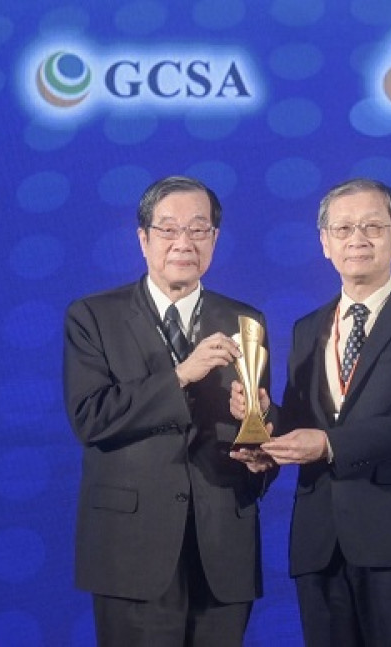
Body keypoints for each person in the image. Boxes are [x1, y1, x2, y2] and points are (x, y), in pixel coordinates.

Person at [62, 175, 274, 647]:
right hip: (131, 549)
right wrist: (180, 375)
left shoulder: (246, 319)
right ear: (143, 239)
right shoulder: (93, 316)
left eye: (198, 230)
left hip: (223, 546)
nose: (184, 242)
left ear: (214, 239)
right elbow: (91, 416)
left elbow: (260, 428)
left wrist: (259, 429)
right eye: (169, 229)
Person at [260, 178, 391, 646]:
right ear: (325, 243)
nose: (357, 239)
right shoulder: (307, 327)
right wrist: (265, 418)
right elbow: (304, 424)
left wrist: (329, 445)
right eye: (343, 228)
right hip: (320, 541)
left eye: (373, 226)